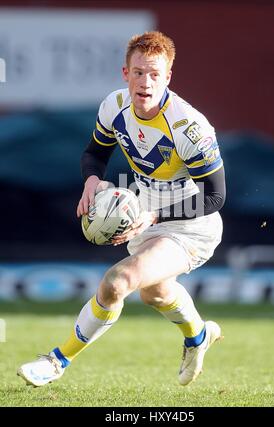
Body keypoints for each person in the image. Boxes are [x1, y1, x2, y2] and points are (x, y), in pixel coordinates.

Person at [17, 31, 226, 387]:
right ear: (125, 73)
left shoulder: (188, 127)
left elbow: (215, 195)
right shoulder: (114, 107)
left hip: (191, 223)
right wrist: (91, 180)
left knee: (118, 281)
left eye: (155, 74)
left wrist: (156, 215)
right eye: (139, 72)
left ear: (168, 77)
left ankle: (56, 360)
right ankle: (197, 336)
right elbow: (95, 154)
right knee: (154, 292)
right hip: (143, 211)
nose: (146, 82)